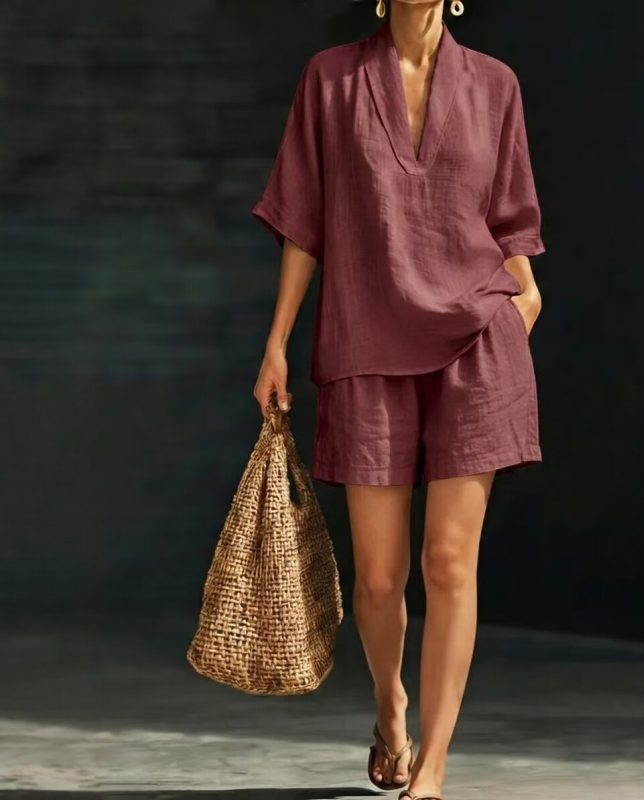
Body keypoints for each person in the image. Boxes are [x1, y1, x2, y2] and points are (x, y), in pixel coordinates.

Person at [251, 2, 546, 798]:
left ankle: (434, 770)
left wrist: (523, 302)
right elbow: (305, 220)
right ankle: (391, 709)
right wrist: (278, 340)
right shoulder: (331, 80)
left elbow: (512, 221)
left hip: (476, 345)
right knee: (379, 580)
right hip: (366, 343)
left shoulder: (495, 84)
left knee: (448, 563)